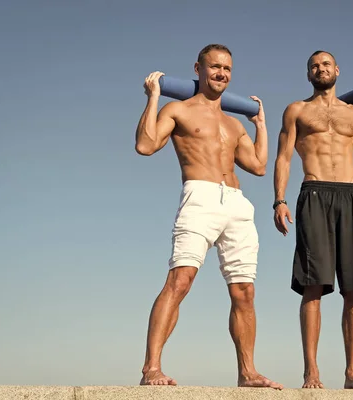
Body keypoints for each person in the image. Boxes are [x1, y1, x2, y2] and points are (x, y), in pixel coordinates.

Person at [134, 43, 282, 390]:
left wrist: (260, 124)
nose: (221, 73)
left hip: (237, 203)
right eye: (214, 67)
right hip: (199, 197)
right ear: (198, 69)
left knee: (245, 292)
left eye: (227, 69)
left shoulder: (233, 123)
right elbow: (145, 145)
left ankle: (248, 373)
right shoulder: (178, 109)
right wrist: (152, 97)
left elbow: (259, 166)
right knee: (180, 279)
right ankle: (151, 368)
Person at [272, 50, 353, 396]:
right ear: (308, 74)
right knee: (313, 285)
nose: (320, 69)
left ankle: (352, 372)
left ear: (337, 70)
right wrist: (279, 200)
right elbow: (283, 156)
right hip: (313, 193)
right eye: (315, 65)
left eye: (326, 64)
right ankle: (311, 369)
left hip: (351, 195)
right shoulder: (297, 110)